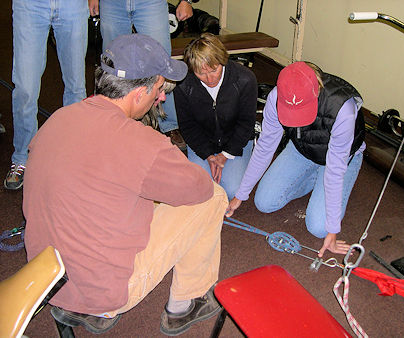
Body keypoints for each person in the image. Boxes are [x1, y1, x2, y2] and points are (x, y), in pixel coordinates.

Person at [23, 34, 228, 336]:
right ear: (138, 93)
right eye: (159, 90)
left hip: (47, 281)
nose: (161, 98)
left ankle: (85, 301)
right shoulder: (141, 143)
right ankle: (186, 304)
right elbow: (200, 188)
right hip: (101, 293)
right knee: (214, 197)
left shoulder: (58, 118)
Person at [226, 61, 366, 258]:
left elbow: (335, 171)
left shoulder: (343, 108)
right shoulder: (276, 96)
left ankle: (321, 180)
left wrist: (333, 230)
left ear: (316, 92)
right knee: (264, 203)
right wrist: (240, 194)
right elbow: (265, 147)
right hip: (302, 149)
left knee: (319, 227)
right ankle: (315, 179)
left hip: (338, 159)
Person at [88, 0, 196, 150]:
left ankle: (169, 124)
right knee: (113, 64)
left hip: (150, 3)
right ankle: (114, 119)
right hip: (112, 4)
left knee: (162, 61)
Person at [4, 0, 89, 190]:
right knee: (25, 87)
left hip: (72, 5)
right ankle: (22, 157)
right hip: (30, 6)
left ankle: (73, 155)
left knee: (76, 88)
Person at [174, 33, 257, 200]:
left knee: (231, 190)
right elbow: (188, 125)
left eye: (214, 70)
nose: (209, 79)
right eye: (201, 73)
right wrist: (208, 155)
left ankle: (247, 153)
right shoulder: (183, 84)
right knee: (201, 188)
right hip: (203, 140)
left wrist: (225, 155)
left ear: (222, 61)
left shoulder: (245, 79)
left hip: (235, 141)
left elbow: (246, 123)